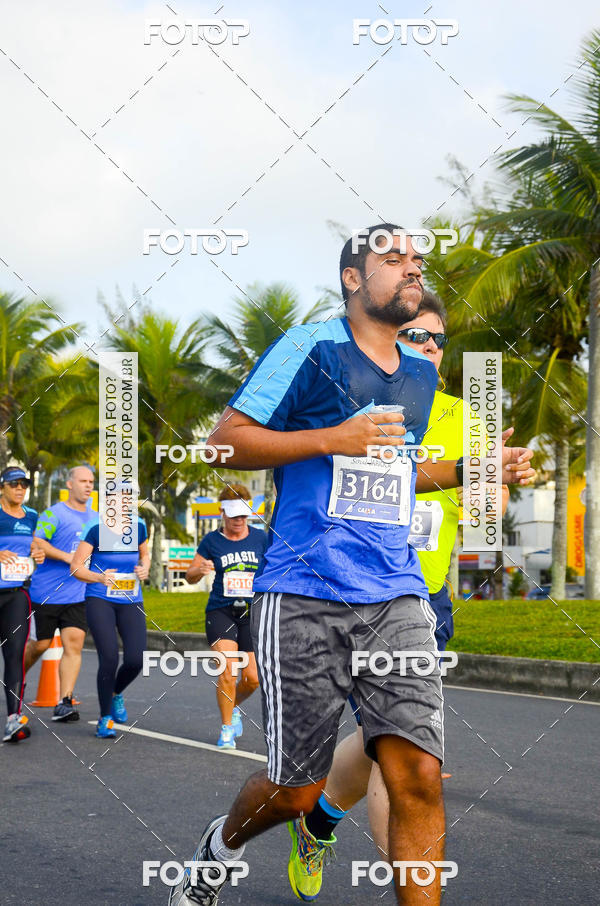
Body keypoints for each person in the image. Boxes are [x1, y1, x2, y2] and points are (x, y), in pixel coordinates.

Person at [170, 224, 535, 906]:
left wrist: (469, 468)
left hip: (395, 593)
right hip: (304, 591)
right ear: (351, 279)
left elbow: (398, 469)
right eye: (393, 259)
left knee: (418, 773)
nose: (412, 270)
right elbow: (223, 445)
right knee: (295, 789)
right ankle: (218, 848)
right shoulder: (309, 348)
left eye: (418, 261)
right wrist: (332, 437)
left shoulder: (420, 374)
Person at [286, 292, 513, 900]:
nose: (429, 348)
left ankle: (320, 821)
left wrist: (494, 478)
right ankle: (318, 821)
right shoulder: (348, 400)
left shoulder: (463, 414)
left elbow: (490, 507)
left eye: (438, 339)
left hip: (419, 596)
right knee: (400, 756)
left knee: (393, 747)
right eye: (415, 337)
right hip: (334, 590)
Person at [186, 484, 267, 749]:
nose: (239, 521)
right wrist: (201, 568)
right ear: (223, 513)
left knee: (253, 678)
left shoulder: (261, 539)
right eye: (234, 516)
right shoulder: (212, 541)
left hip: (252, 612)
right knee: (227, 673)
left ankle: (232, 708)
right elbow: (189, 576)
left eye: (244, 516)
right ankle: (226, 729)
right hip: (221, 610)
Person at [70, 509, 150, 738]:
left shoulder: (139, 525)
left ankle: (116, 692)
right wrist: (99, 577)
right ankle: (105, 718)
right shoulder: (96, 528)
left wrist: (144, 567)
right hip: (100, 597)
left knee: (136, 658)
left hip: (130, 598)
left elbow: (145, 555)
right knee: (110, 657)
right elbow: (76, 566)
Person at [25, 465, 95, 722]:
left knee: (74, 643)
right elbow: (37, 539)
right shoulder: (53, 514)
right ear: (69, 484)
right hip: (46, 593)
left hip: (77, 594)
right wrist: (68, 557)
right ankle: (15, 681)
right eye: (83, 481)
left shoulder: (96, 518)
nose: (88, 485)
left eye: (91, 481)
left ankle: (64, 701)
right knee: (40, 645)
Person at [0, 466, 44, 742]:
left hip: (17, 593)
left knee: (15, 654)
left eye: (24, 485)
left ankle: (13, 719)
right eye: (14, 484)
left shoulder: (32, 516)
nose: (20, 489)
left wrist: (38, 553)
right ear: (2, 487)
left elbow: (35, 547)